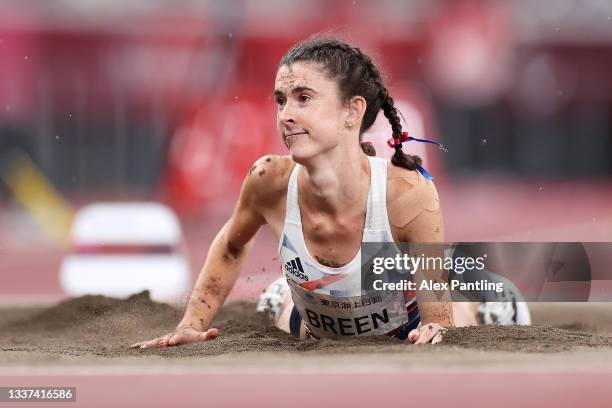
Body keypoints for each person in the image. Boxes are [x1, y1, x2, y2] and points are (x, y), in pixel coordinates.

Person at [131, 37, 528, 350]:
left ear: (352, 112)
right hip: (316, 322)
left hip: (407, 318)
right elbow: (232, 247)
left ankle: (487, 293)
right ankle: (291, 293)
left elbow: (436, 322)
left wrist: (438, 328)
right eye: (281, 100)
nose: (286, 114)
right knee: (280, 308)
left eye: (304, 98)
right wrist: (191, 325)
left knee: (466, 320)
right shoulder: (267, 179)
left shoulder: (406, 191)